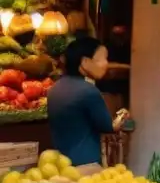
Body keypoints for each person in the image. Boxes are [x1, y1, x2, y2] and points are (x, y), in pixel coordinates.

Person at [48, 37, 128, 166]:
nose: (106, 64)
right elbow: (108, 127)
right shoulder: (89, 91)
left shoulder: (55, 88)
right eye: (103, 59)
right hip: (86, 162)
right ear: (85, 62)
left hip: (59, 162)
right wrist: (122, 116)